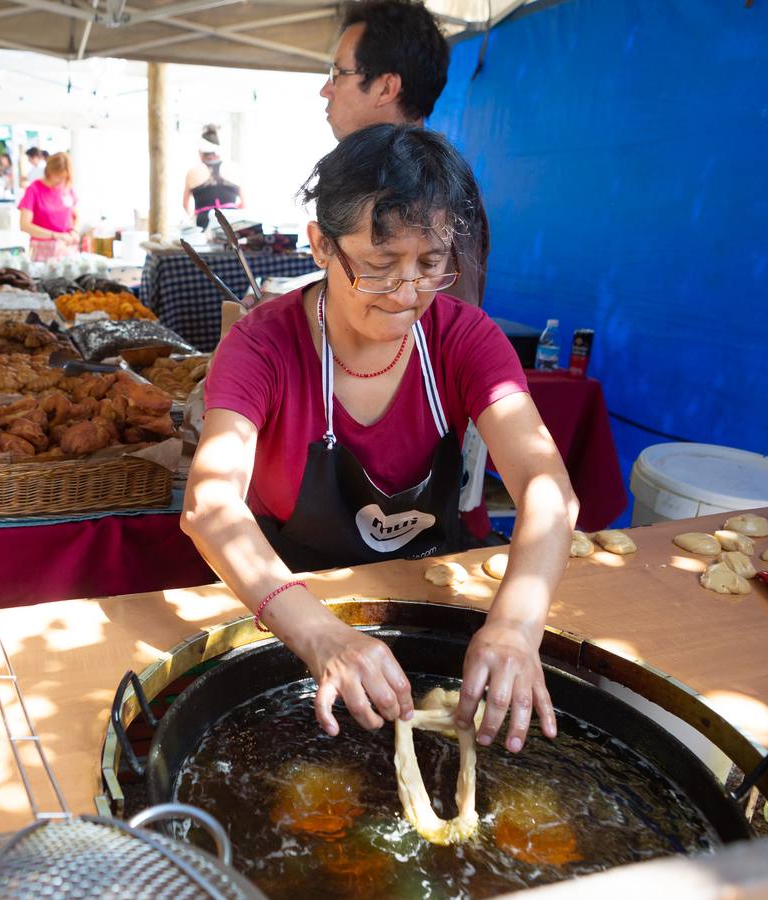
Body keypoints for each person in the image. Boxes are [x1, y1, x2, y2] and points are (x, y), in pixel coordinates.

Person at [182, 126, 577, 755]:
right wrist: (321, 634)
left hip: (427, 588)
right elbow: (211, 504)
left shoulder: (464, 337)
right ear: (319, 245)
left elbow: (545, 486)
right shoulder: (260, 347)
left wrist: (514, 626)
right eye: (377, 266)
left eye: (429, 265)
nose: (406, 294)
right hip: (293, 596)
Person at [320, 0, 488, 309]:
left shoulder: (434, 186)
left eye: (337, 73)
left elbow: (442, 326)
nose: (325, 90)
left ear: (386, 88)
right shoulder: (367, 173)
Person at [18, 151, 78, 262]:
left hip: (66, 250)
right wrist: (55, 235)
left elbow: (75, 215)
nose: (60, 181)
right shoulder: (34, 190)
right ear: (49, 171)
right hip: (42, 251)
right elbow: (24, 225)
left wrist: (75, 231)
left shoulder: (67, 188)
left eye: (64, 178)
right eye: (58, 176)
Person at [183, 124, 244, 229]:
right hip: (231, 223)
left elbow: (185, 204)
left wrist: (193, 218)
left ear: (200, 152)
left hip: (204, 223)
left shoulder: (192, 172)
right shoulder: (234, 169)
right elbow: (244, 204)